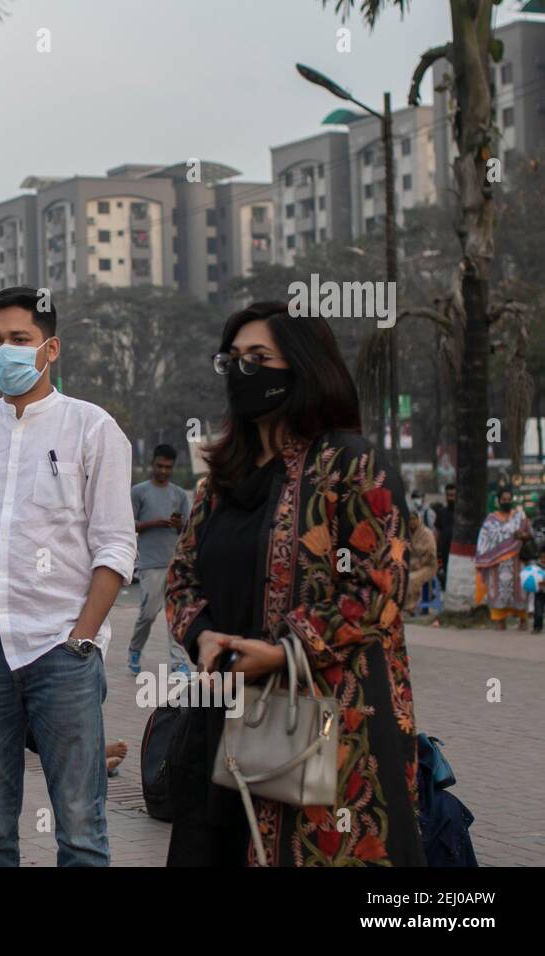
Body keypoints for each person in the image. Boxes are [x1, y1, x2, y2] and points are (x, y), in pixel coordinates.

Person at [163, 300, 423, 867]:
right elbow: (181, 579)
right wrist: (203, 636)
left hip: (326, 716)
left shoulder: (351, 465)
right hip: (224, 710)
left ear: (303, 366)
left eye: (260, 358)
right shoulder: (219, 480)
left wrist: (282, 650)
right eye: (232, 359)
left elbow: (378, 590)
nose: (241, 370)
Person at [0, 285, 137, 867]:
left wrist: (81, 636)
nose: (4, 352)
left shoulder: (92, 429)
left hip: (60, 651)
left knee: (80, 831)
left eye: (19, 340)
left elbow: (115, 546)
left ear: (50, 348)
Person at [128, 444, 192, 676]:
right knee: (148, 613)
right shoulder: (139, 492)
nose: (163, 471)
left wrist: (179, 525)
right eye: (159, 466)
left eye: (168, 467)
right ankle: (135, 649)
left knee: (175, 614)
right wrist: (151, 524)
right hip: (149, 563)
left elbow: (190, 528)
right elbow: (127, 523)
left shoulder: (179, 494)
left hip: (175, 563)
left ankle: (178, 662)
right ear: (152, 464)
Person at [475, 488, 531, 630]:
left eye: (509, 499)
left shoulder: (520, 517)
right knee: (499, 592)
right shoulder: (490, 520)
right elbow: (484, 539)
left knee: (520, 591)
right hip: (497, 563)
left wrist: (522, 536)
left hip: (518, 561)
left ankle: (522, 620)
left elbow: (530, 534)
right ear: (498, 501)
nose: (506, 502)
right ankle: (501, 621)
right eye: (504, 499)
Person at [405, 512, 438, 615]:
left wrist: (419, 563)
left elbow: (431, 554)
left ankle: (411, 607)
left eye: (414, 519)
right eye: (410, 519)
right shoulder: (407, 534)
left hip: (427, 566)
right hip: (411, 565)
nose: (412, 522)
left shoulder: (427, 533)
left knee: (412, 579)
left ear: (419, 519)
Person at [435, 483, 456, 589]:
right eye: (449, 495)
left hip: (457, 552)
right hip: (444, 551)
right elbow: (437, 532)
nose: (451, 498)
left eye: (453, 495)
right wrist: (435, 550)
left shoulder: (461, 513)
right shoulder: (441, 512)